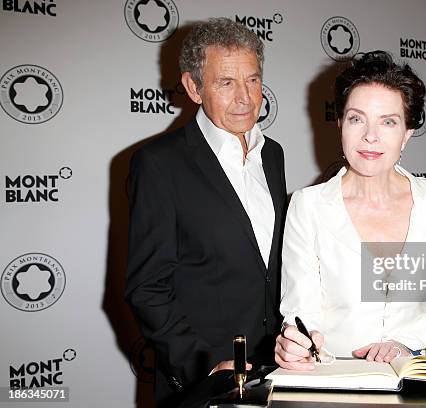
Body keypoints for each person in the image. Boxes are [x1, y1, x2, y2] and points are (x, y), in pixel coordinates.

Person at [125, 18, 287, 406]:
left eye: (252, 80)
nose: (246, 98)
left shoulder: (273, 154)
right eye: (226, 83)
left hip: (278, 374)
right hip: (206, 385)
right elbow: (147, 289)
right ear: (193, 88)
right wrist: (206, 366)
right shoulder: (159, 163)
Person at [275, 51, 426, 370]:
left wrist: (404, 343)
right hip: (332, 378)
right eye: (356, 118)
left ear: (407, 133)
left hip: (410, 375)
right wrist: (298, 341)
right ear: (340, 123)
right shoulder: (307, 206)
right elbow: (300, 311)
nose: (370, 135)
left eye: (388, 122)